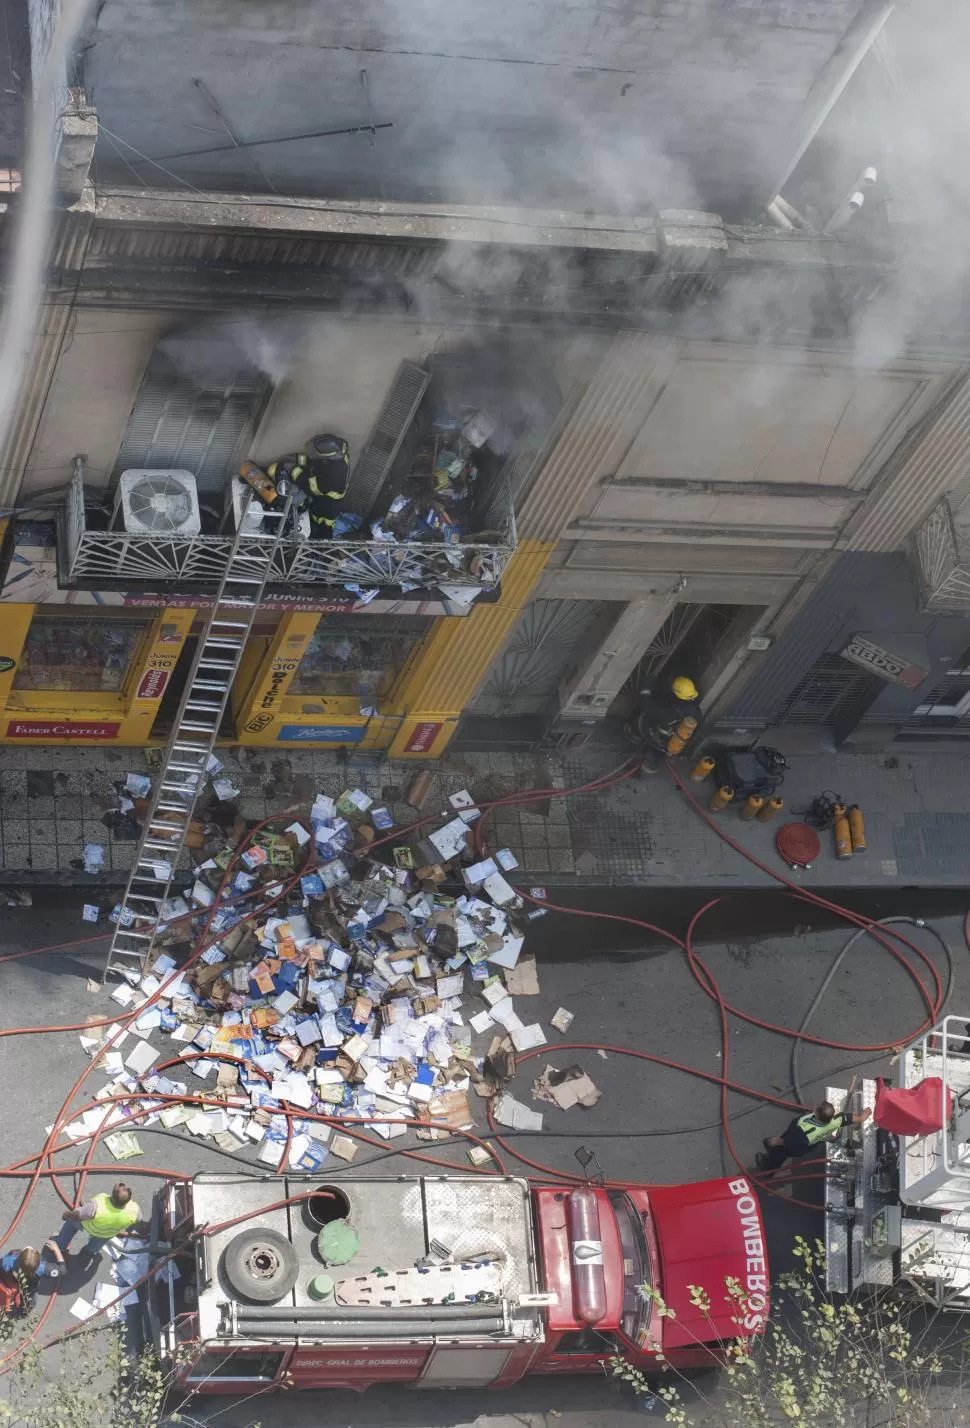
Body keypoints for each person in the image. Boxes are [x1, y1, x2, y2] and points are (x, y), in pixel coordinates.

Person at [756, 1096, 871, 1172]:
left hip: (795, 1145)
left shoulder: (806, 1132)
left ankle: (768, 1167)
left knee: (780, 1152)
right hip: (814, 1140)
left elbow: (790, 1141)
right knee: (779, 1148)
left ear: (818, 1116)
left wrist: (776, 1141)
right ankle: (772, 1155)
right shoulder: (837, 1119)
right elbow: (856, 1119)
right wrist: (863, 1116)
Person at [268, 433, 350, 539]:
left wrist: (292, 468)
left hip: (326, 507)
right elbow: (315, 462)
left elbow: (308, 485)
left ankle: (316, 549)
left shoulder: (333, 477)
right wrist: (297, 459)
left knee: (321, 528)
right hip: (323, 494)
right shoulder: (339, 452)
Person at [49, 1182, 143, 1264]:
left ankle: (60, 1246)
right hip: (105, 1234)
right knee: (95, 1246)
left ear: (113, 1195)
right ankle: (86, 1255)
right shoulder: (134, 1211)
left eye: (121, 1186)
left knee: (71, 1223)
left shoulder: (97, 1206)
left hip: (89, 1226)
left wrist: (66, 1214)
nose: (122, 1184)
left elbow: (78, 1215)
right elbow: (139, 1219)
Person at [635, 674, 700, 769]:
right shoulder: (696, 711)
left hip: (662, 742)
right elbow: (700, 728)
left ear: (676, 694)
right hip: (679, 743)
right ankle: (657, 761)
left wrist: (645, 688)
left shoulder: (669, 712)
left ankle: (650, 761)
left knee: (644, 721)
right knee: (664, 749)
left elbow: (646, 706)